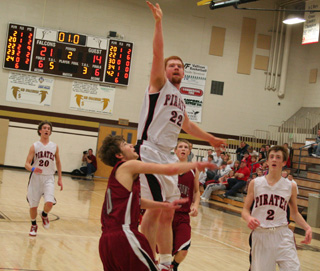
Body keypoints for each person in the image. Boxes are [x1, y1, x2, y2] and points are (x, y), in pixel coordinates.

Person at [135, 2, 226, 269]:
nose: (176, 68)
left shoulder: (181, 100)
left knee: (167, 212)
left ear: (184, 73)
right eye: (171, 65)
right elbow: (157, 52)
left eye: (180, 66)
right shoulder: (158, 86)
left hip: (168, 159)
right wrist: (159, 22)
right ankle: (146, 260)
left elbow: (188, 126)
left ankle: (163, 263)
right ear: (164, 71)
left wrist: (210, 139)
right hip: (150, 151)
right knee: (154, 211)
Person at [98, 135, 215, 271]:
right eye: (125, 144)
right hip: (125, 235)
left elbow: (137, 201)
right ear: (119, 155)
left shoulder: (121, 174)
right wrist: (198, 164)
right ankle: (166, 264)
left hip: (106, 241)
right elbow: (168, 170)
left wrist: (163, 205)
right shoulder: (129, 165)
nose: (131, 145)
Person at [242, 145, 312, 271]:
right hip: (261, 234)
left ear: (284, 162)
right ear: (267, 161)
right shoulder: (256, 183)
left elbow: (295, 213)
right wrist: (249, 218)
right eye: (272, 157)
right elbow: (245, 210)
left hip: (282, 234)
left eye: (278, 157)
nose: (274, 159)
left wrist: (307, 227)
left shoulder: (291, 186)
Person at [25, 120, 63, 237]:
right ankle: (33, 225)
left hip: (49, 177)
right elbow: (26, 164)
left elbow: (58, 162)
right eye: (45, 128)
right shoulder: (34, 146)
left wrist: (60, 179)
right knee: (33, 206)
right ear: (40, 131)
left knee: (50, 203)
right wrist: (33, 169)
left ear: (50, 132)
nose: (47, 130)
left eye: (49, 128)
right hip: (36, 178)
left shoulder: (54, 146)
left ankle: (45, 214)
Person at [172, 140, 201, 271]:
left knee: (184, 248)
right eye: (180, 147)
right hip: (167, 215)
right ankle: (164, 266)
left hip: (183, 215)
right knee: (164, 250)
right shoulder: (168, 167)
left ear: (189, 151)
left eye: (186, 147)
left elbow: (196, 191)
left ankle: (174, 267)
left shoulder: (194, 169)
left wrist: (195, 205)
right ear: (175, 150)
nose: (183, 149)